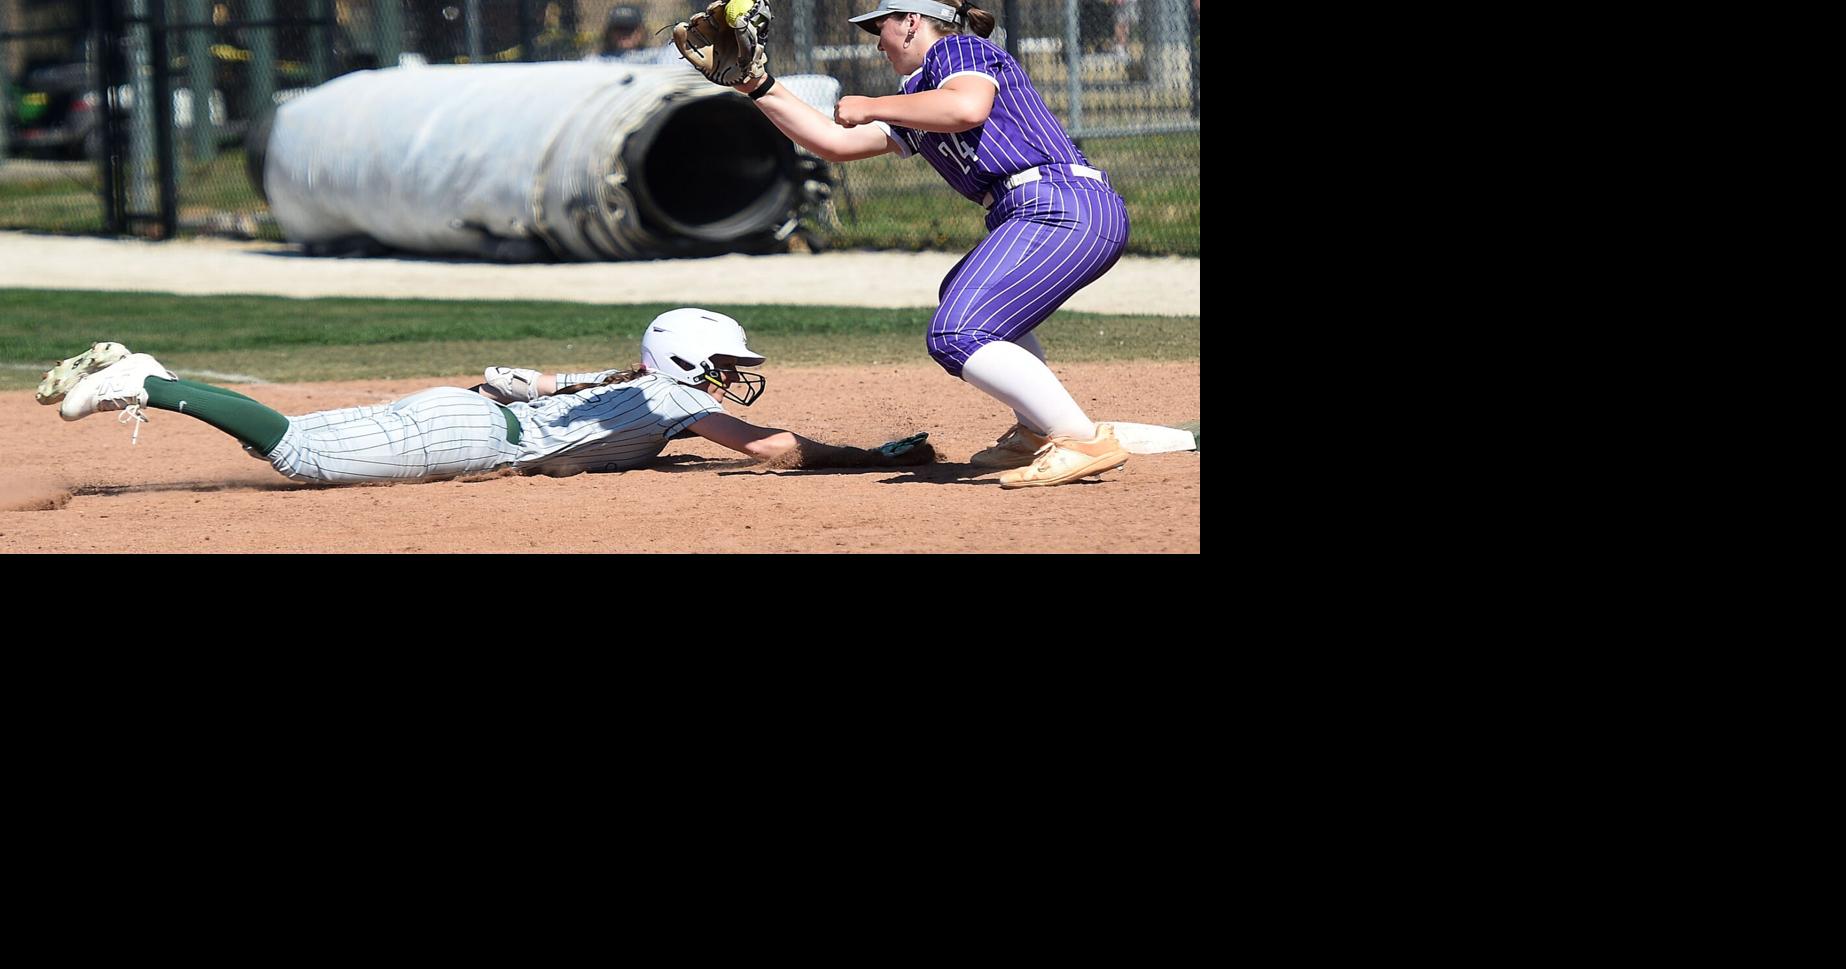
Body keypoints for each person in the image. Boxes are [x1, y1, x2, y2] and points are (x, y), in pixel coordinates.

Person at [724, 0, 1131, 488]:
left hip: (1060, 203)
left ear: (913, 21)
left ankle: (1077, 437)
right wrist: (757, 86)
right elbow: (835, 142)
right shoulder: (918, 92)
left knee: (956, 332)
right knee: (960, 293)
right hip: (1040, 209)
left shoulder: (959, 49)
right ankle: (1039, 427)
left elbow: (965, 107)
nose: (877, 41)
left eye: (882, 26)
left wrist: (871, 104)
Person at [34, 309, 933, 484]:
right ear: (688, 361)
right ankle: (145, 383)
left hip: (461, 410)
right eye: (723, 361)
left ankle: (155, 370)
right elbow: (771, 448)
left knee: (298, 430)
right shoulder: (669, 401)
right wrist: (862, 455)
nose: (733, 375)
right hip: (468, 441)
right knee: (300, 455)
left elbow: (532, 382)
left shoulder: (624, 386)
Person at [586, 4, 682, 66]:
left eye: (630, 29)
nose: (624, 34)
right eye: (619, 28)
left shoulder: (656, 57)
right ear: (610, 32)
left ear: (641, 31)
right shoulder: (596, 62)